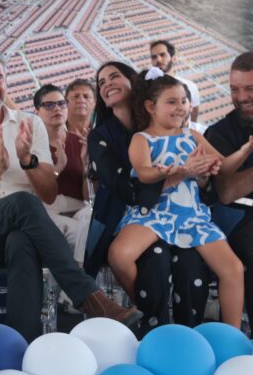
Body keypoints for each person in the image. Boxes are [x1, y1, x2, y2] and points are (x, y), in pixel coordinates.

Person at [0, 47, 141, 340]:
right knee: (23, 202)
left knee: (21, 242)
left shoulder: (30, 124)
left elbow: (48, 194)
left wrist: (27, 161)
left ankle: (22, 344)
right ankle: (90, 297)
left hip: (25, 229)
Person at [108, 70, 249, 328]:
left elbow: (225, 166)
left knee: (233, 269)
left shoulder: (193, 136)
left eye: (184, 101)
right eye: (172, 101)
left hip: (192, 216)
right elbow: (144, 173)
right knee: (119, 255)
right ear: (151, 107)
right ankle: (147, 308)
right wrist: (179, 170)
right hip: (153, 214)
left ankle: (234, 336)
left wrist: (246, 150)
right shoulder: (141, 139)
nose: (181, 107)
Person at [87, 61, 210, 331]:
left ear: (135, 82)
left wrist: (201, 171)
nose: (107, 84)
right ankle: (155, 326)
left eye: (114, 76)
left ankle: (191, 333)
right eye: (101, 82)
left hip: (178, 216)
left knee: (190, 261)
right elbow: (125, 190)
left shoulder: (165, 125)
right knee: (156, 260)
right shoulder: (100, 137)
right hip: (125, 220)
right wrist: (179, 174)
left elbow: (204, 175)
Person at [205, 51, 253, 336]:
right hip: (245, 224)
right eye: (234, 89)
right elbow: (227, 192)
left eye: (251, 88)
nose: (241, 97)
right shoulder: (220, 133)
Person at [33, 84, 89, 262]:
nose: (56, 109)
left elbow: (88, 197)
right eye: (49, 105)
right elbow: (32, 190)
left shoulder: (80, 142)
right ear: (37, 112)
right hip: (47, 209)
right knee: (74, 231)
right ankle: (80, 273)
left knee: (89, 220)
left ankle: (79, 272)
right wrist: (57, 170)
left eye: (61, 103)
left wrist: (86, 164)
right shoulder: (30, 146)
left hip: (79, 208)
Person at [150, 40, 200, 122]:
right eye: (154, 57)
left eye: (162, 55)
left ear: (173, 58)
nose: (158, 59)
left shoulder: (190, 86)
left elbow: (194, 112)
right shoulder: (148, 87)